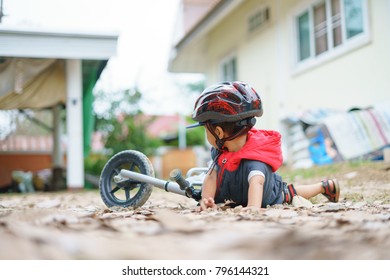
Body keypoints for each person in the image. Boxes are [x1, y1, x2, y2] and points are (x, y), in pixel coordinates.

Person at [187, 81, 340, 211]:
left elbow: (257, 182)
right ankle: (323, 186)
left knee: (289, 193)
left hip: (270, 193)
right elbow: (212, 175)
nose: (207, 135)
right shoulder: (220, 152)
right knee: (290, 191)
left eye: (207, 131)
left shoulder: (255, 160)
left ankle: (324, 186)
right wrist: (206, 200)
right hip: (234, 193)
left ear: (219, 133)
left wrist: (252, 208)